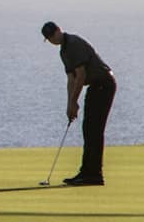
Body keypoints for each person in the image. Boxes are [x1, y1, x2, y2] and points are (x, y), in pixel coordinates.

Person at [41, 21, 117, 186]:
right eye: (49, 39)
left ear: (58, 31)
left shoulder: (73, 44)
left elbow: (81, 75)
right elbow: (71, 79)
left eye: (52, 36)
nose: (52, 41)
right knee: (88, 129)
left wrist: (74, 102)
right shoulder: (63, 52)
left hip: (104, 84)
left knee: (94, 129)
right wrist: (70, 104)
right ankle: (87, 172)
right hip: (96, 86)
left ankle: (94, 174)